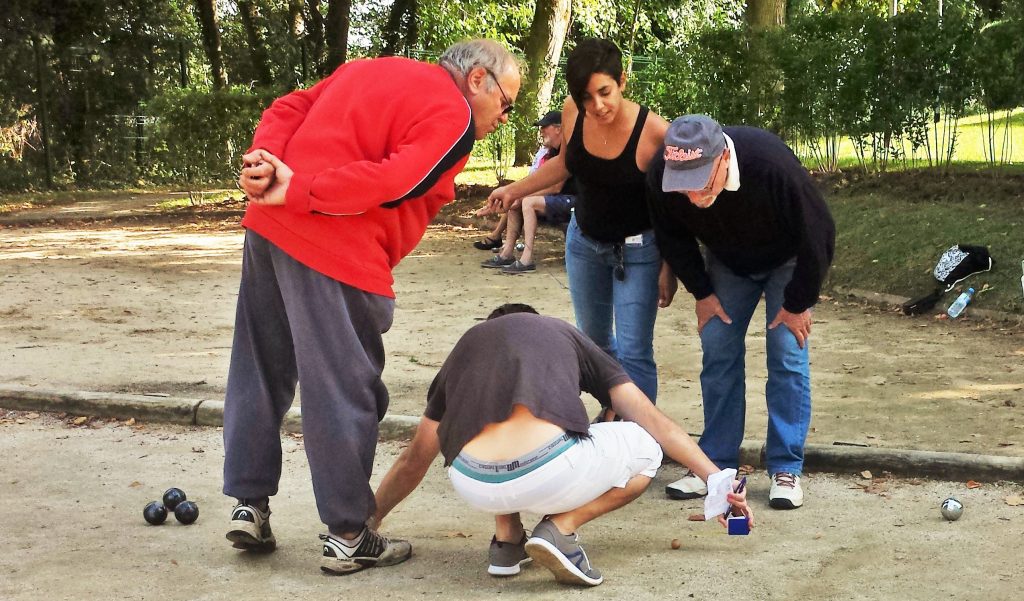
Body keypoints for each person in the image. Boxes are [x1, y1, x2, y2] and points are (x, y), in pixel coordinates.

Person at [223, 39, 521, 575]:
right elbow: (394, 181)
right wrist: (301, 190)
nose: (504, 116)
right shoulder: (453, 115)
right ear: (478, 79)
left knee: (259, 369)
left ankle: (251, 504)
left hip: (267, 231)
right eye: (507, 102)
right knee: (342, 388)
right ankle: (347, 533)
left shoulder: (370, 68)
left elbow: (289, 105)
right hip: (336, 248)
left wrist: (264, 159)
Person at [370, 305, 753, 587]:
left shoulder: (467, 349)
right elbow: (651, 419)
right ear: (534, 320)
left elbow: (413, 460)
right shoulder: (560, 332)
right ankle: (559, 530)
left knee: (495, 423)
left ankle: (507, 543)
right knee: (645, 446)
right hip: (547, 471)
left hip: (473, 483)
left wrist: (367, 523)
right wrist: (718, 481)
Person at [646, 115, 835, 509]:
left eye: (701, 180)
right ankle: (715, 465)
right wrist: (701, 291)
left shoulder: (770, 165)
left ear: (721, 159)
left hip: (787, 258)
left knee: (786, 349)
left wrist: (798, 302)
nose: (694, 195)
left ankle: (786, 467)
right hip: (729, 262)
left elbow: (819, 232)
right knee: (717, 344)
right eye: (684, 184)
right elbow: (672, 236)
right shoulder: (660, 176)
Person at [487, 39, 676, 403]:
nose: (597, 105)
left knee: (635, 350)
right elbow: (564, 164)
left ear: (622, 80)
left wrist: (670, 267)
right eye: (586, 97)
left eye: (604, 92)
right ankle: (613, 417)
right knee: (595, 342)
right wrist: (515, 190)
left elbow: (672, 208)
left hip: (638, 251)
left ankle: (642, 439)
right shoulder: (573, 110)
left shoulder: (655, 132)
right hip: (584, 242)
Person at [479, 110, 577, 273]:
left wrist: (521, 195)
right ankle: (507, 253)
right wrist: (515, 195)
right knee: (517, 203)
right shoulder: (552, 152)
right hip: (558, 200)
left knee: (528, 202)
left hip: (574, 201)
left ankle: (526, 258)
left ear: (558, 128)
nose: (541, 131)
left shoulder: (568, 151)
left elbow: (555, 187)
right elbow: (540, 182)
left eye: (545, 127)